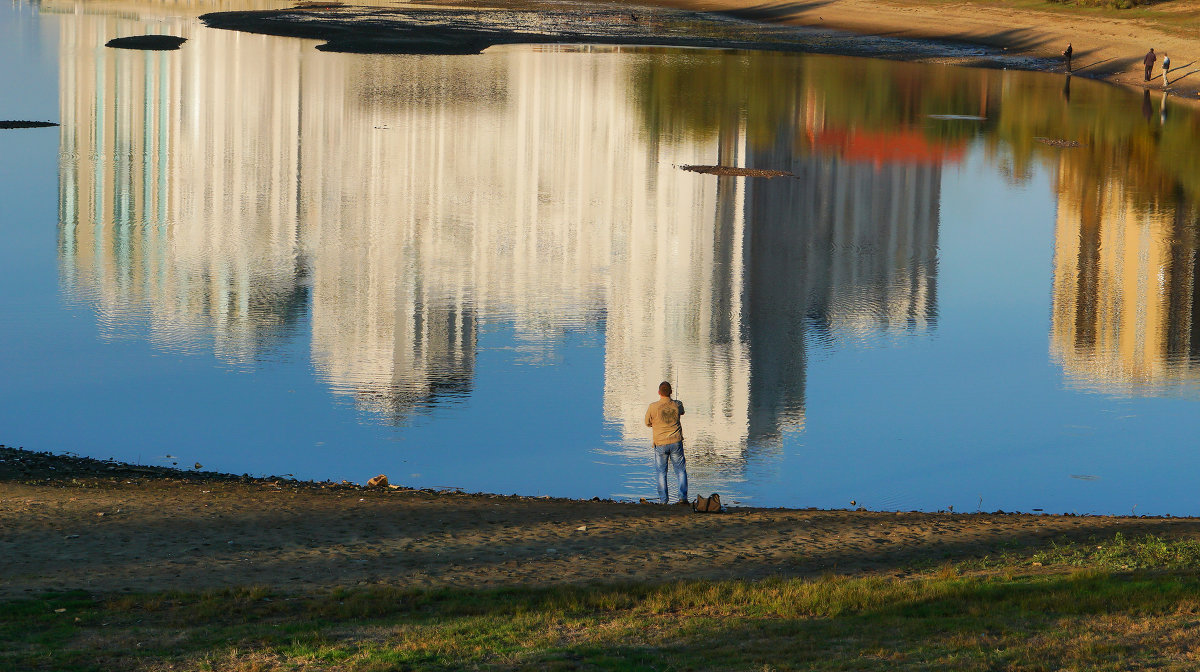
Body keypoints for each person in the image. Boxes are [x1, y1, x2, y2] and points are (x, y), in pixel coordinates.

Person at [644, 381, 688, 505]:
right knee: (680, 470)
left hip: (660, 443)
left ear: (659, 392)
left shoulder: (653, 407)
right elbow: (682, 411)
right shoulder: (678, 404)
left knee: (661, 472)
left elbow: (647, 422)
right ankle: (682, 498)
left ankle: (664, 500)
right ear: (671, 392)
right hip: (676, 442)